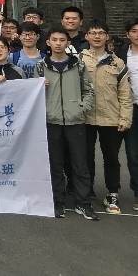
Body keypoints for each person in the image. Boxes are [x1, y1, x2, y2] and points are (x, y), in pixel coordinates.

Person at [35, 26, 98, 220]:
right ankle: (58, 201)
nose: (58, 43)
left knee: (80, 164)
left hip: (75, 121)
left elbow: (89, 90)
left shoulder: (78, 65)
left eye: (62, 40)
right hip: (51, 121)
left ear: (68, 43)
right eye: (54, 40)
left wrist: (81, 107)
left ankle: (83, 203)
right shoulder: (41, 66)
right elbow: (33, 95)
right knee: (55, 164)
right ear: (48, 43)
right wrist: (39, 86)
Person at [80, 19, 132, 214]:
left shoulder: (117, 63)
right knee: (86, 157)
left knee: (111, 158)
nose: (97, 36)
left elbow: (125, 94)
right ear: (86, 36)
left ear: (107, 36)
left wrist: (125, 118)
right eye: (93, 33)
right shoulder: (79, 60)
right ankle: (87, 191)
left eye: (101, 33)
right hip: (85, 117)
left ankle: (112, 193)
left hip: (111, 117)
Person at [115, 18, 138, 212]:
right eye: (134, 31)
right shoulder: (120, 55)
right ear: (128, 34)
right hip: (130, 108)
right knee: (133, 154)